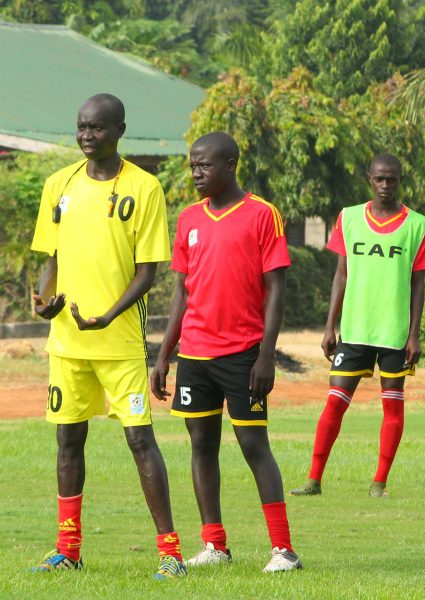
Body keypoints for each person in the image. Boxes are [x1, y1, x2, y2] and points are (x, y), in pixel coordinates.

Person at [28, 93, 187, 579]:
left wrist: (106, 316)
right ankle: (68, 549)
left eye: (96, 128)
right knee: (68, 441)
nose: (86, 136)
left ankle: (170, 554)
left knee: (140, 441)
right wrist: (42, 301)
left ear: (119, 129)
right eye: (81, 127)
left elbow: (148, 272)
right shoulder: (59, 185)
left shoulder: (145, 188)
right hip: (68, 345)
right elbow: (50, 259)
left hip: (118, 346)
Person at [149, 132, 302, 573]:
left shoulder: (262, 215)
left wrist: (266, 354)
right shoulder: (189, 219)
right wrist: (164, 356)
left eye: (205, 165)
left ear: (231, 164)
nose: (196, 173)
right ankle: (215, 544)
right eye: (193, 165)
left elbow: (277, 289)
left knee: (254, 445)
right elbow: (181, 292)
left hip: (243, 355)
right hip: (195, 355)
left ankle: (283, 549)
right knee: (201, 446)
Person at [289, 154, 425, 499]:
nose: (386, 185)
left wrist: (414, 334)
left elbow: (418, 284)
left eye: (392, 180)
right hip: (354, 330)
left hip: (394, 332)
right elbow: (340, 275)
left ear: (401, 180)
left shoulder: (417, 225)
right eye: (380, 179)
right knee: (335, 403)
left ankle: (379, 483)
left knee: (393, 406)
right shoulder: (349, 218)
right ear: (369, 178)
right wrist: (329, 326)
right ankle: (313, 480)